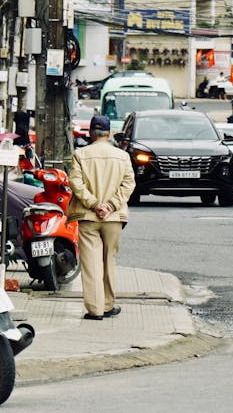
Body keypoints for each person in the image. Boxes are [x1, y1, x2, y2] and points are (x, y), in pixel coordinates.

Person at [67, 115, 135, 321]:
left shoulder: (80, 155)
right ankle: (108, 305)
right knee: (109, 261)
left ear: (91, 133)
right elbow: (128, 184)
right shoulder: (122, 156)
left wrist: (95, 205)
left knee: (91, 263)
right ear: (109, 133)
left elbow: (76, 184)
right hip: (114, 217)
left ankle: (95, 309)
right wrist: (111, 205)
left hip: (89, 216)